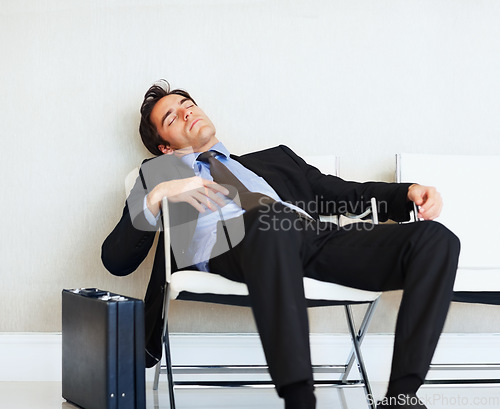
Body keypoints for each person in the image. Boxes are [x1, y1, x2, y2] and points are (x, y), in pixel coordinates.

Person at [102, 80, 460, 409]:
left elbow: (346, 192)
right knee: (268, 220)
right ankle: (300, 399)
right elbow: (116, 259)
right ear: (165, 146)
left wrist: (407, 192)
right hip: (228, 247)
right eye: (172, 117)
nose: (186, 112)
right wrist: (161, 193)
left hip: (312, 240)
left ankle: (402, 397)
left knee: (436, 240)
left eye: (188, 104)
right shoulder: (159, 174)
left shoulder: (277, 160)